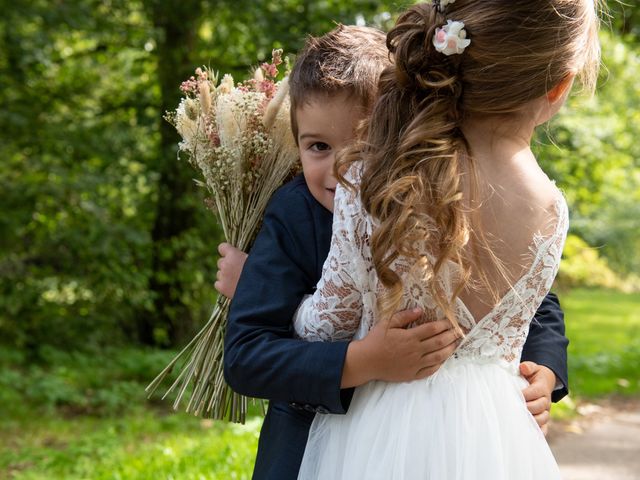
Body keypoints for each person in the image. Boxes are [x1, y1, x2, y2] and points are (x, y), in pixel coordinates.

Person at [223, 24, 570, 480]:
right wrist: (362, 360)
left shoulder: (434, 196)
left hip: (444, 441)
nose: (342, 169)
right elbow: (247, 357)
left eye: (365, 144)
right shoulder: (292, 212)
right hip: (308, 440)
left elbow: (532, 297)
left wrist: (544, 373)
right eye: (319, 147)